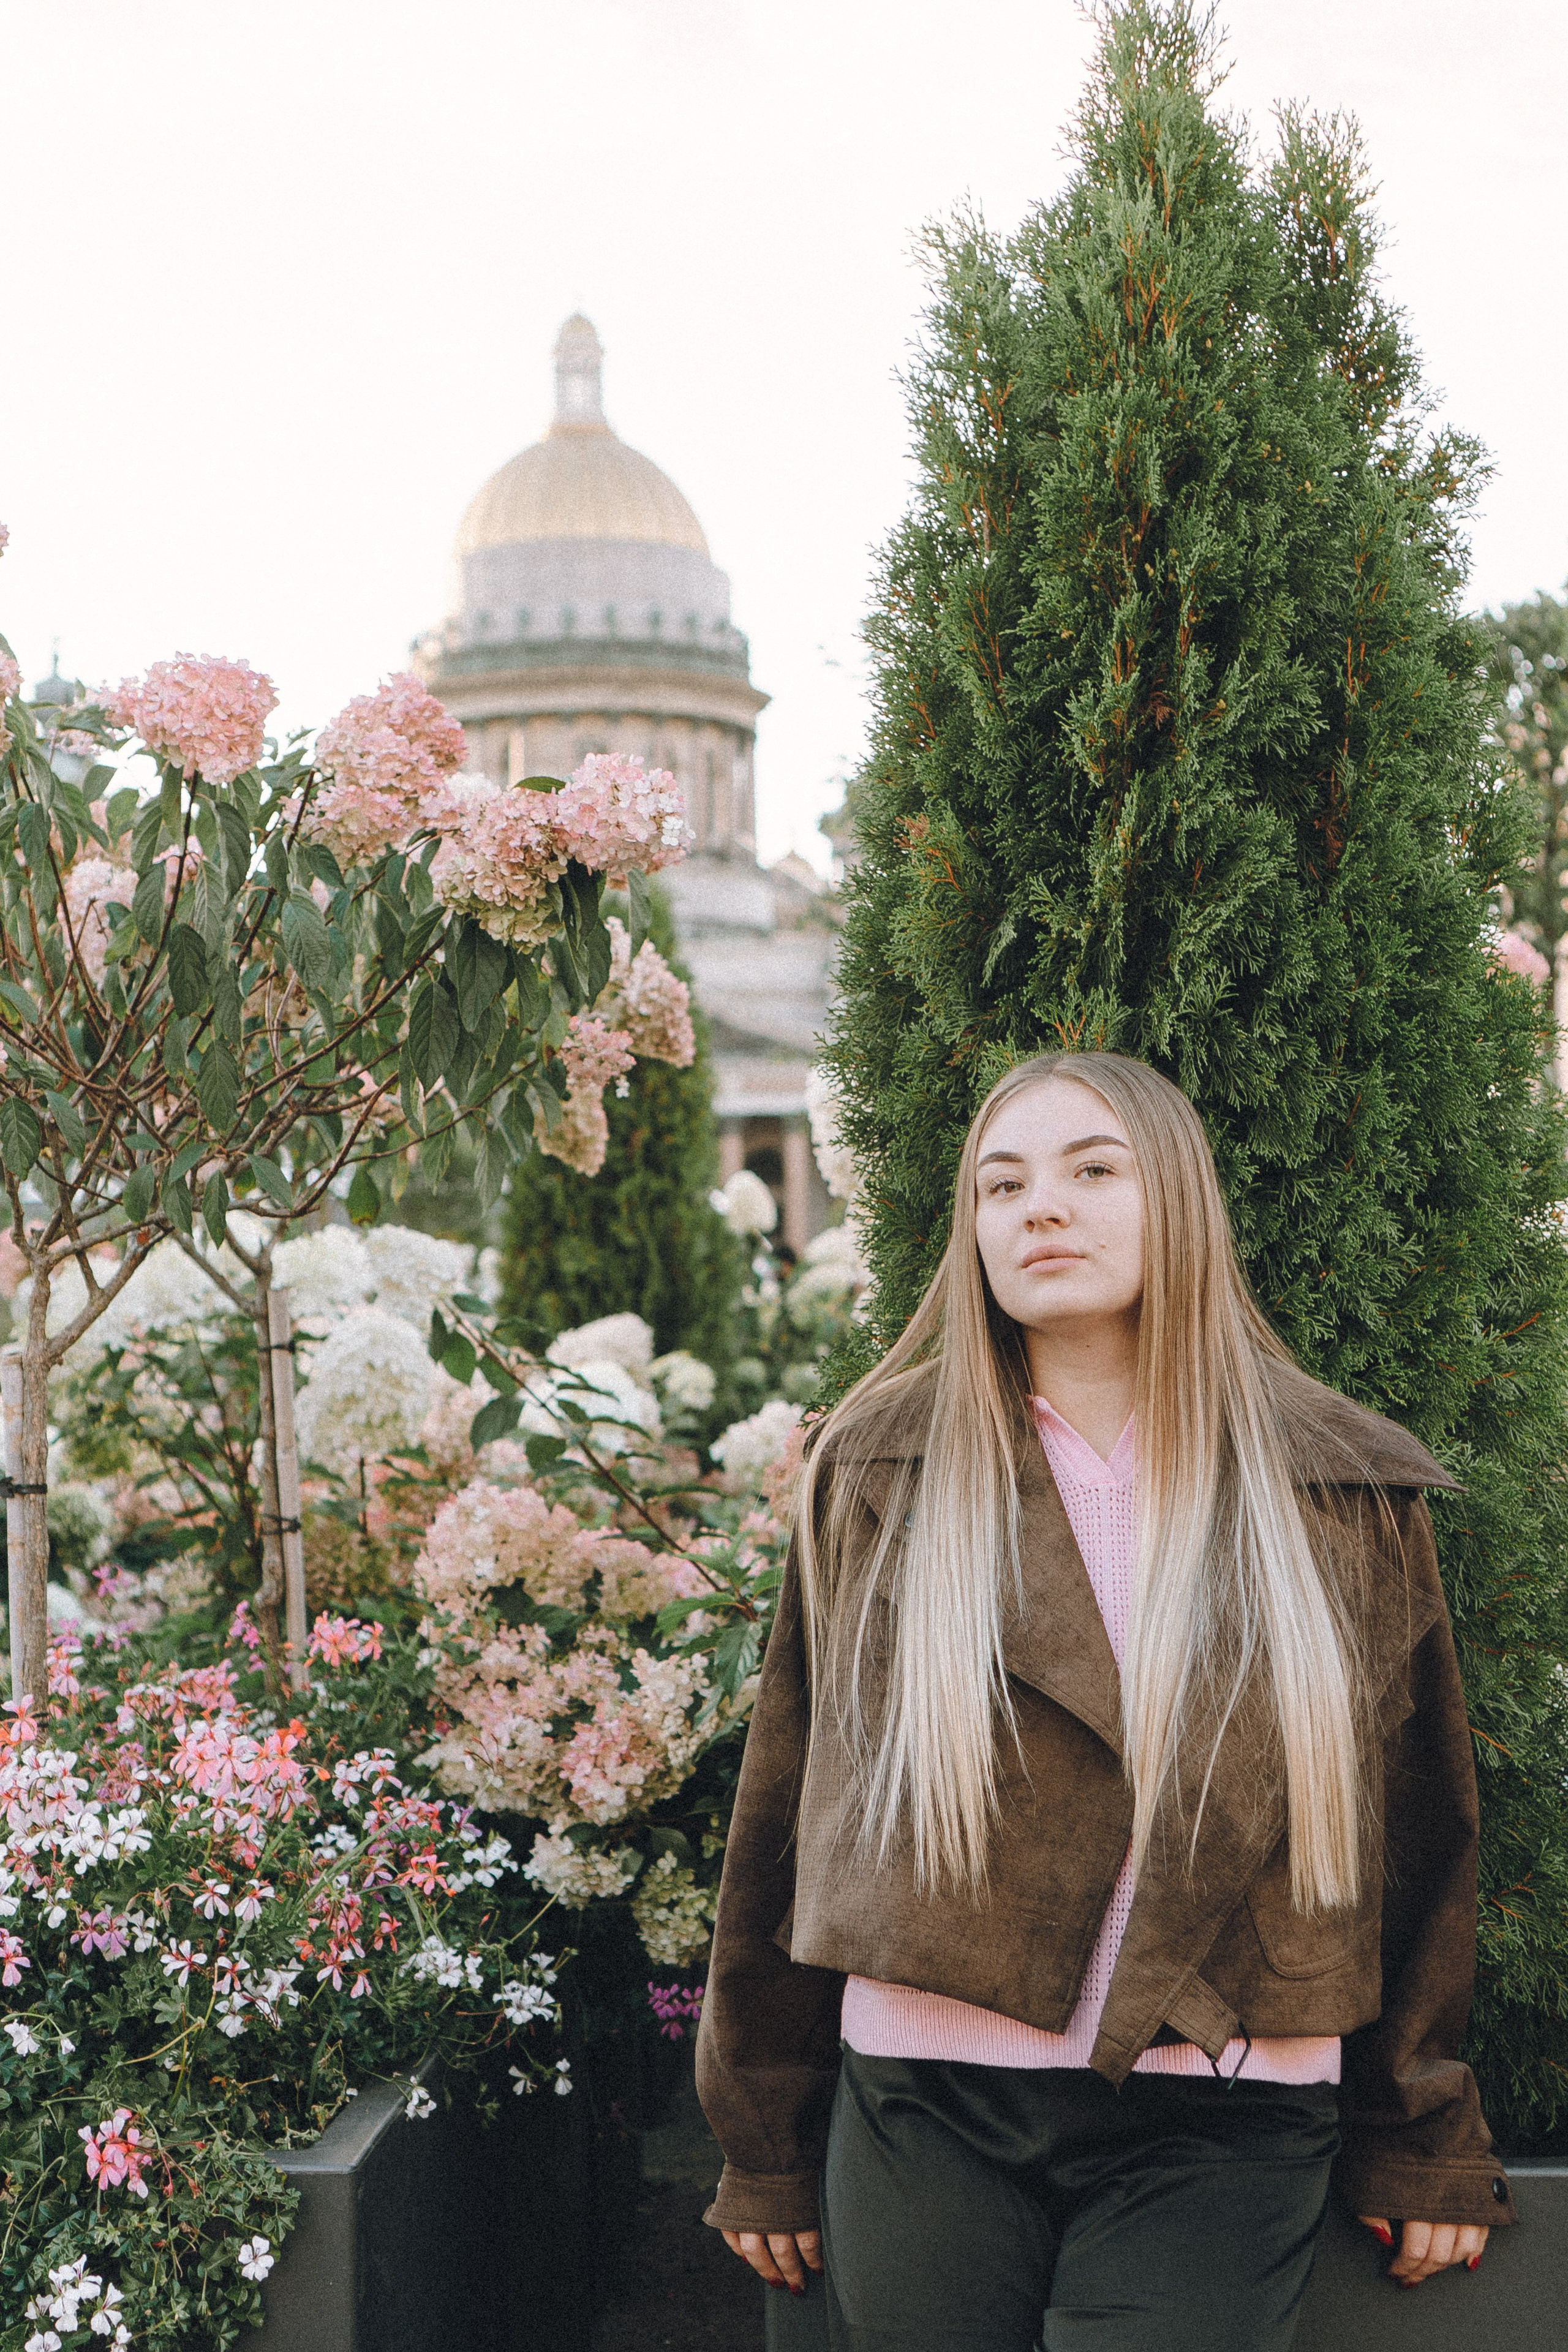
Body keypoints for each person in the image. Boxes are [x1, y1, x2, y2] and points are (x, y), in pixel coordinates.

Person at [696, 1052, 1513, 2352]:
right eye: (1000, 1183)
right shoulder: (882, 1468)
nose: (1038, 1209)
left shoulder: (1338, 1485)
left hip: (1227, 2110)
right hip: (927, 2101)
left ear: (1176, 1202)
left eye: (1090, 1171)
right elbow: (788, 1807)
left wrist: (1415, 2137)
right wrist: (766, 2142)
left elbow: (1417, 1832)